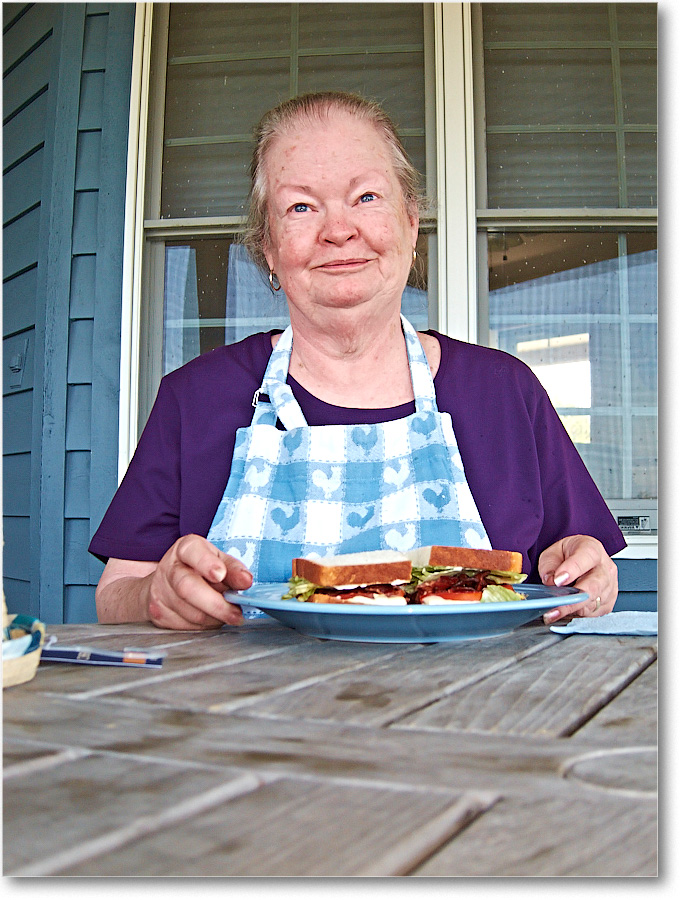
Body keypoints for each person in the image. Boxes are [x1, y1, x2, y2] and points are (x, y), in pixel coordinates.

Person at [90, 91, 625, 631]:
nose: (338, 230)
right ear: (269, 248)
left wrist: (586, 573)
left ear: (411, 225)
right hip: (245, 713)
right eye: (301, 206)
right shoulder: (196, 396)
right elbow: (116, 594)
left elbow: (577, 563)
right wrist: (156, 595)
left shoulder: (506, 391)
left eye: (366, 197)